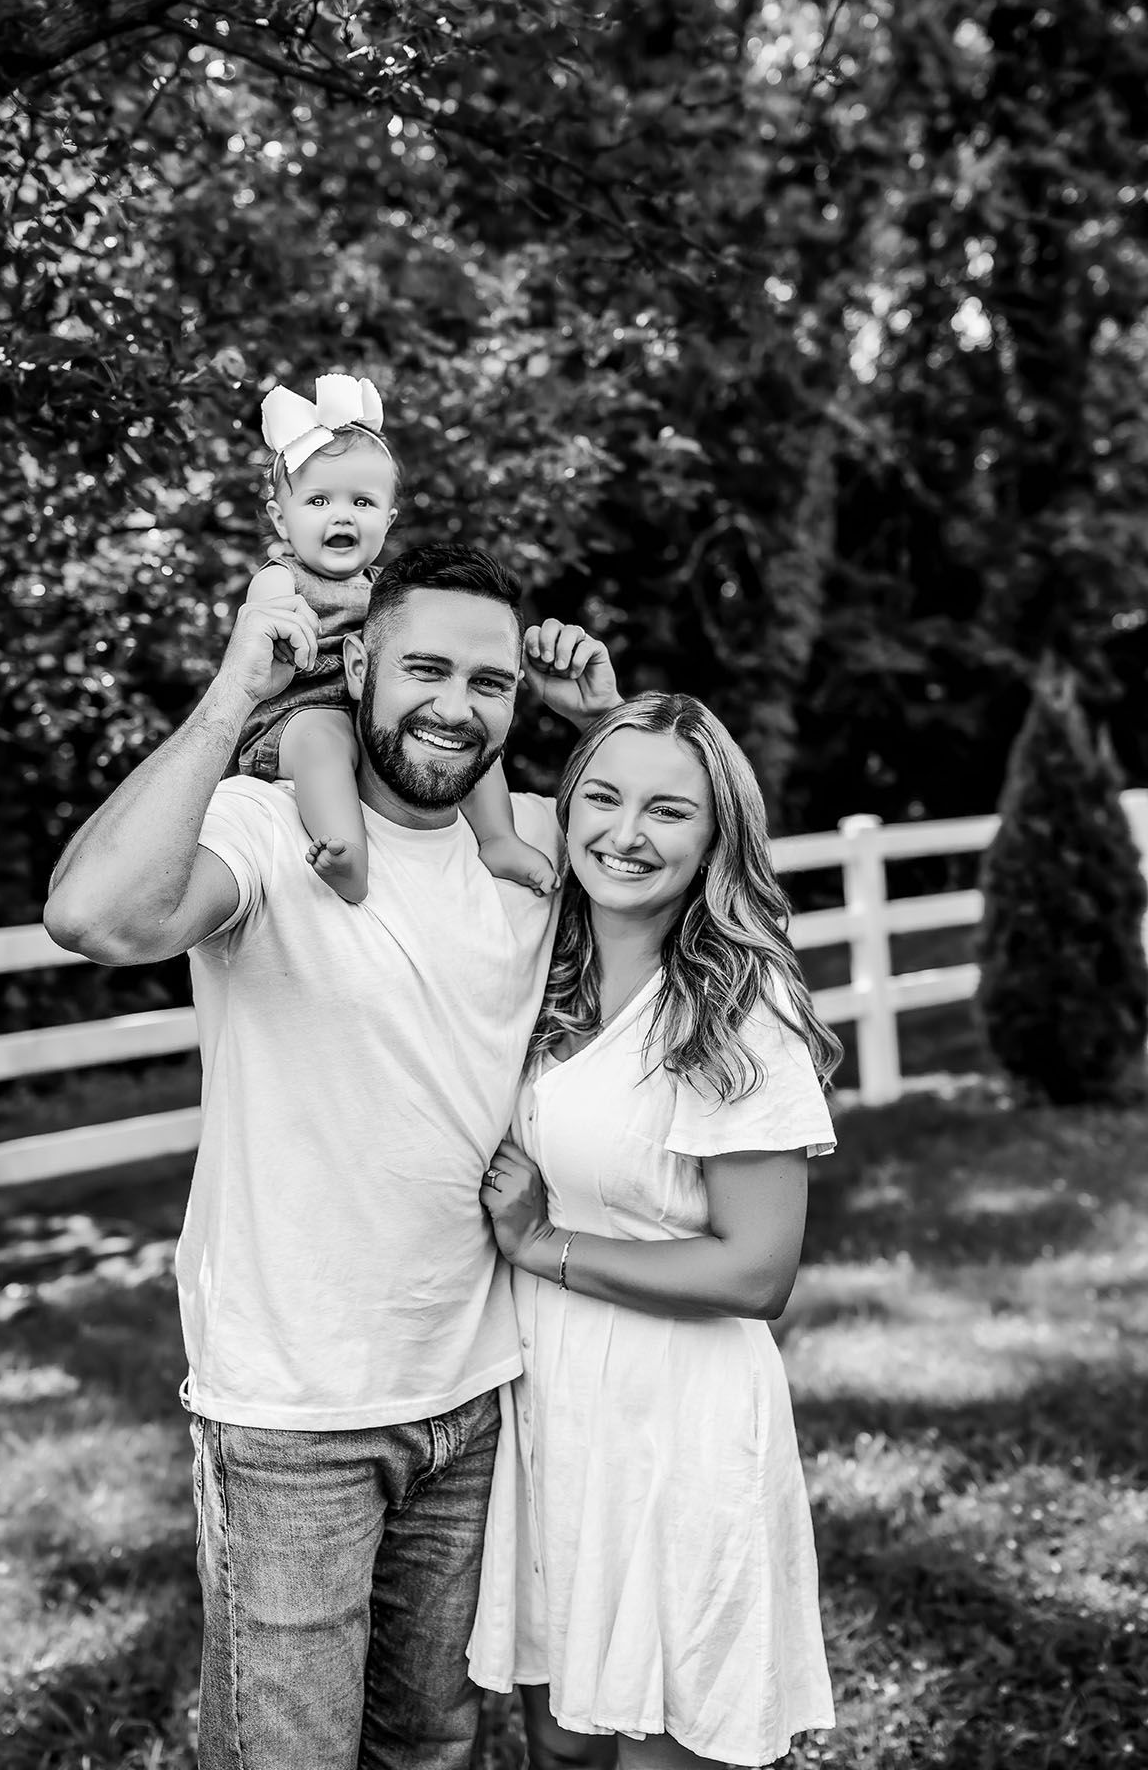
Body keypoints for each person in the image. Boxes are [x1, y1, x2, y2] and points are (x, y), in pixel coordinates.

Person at [42, 541, 621, 1770]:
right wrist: (233, 694)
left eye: (489, 681)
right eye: (423, 668)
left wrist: (611, 724)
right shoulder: (264, 828)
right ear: (359, 661)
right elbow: (97, 916)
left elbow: (718, 885)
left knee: (431, 1747)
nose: (454, 707)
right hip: (291, 1414)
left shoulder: (530, 846)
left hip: (473, 1389)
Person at [470, 692, 841, 1770]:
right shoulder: (542, 963)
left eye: (669, 812)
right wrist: (587, 711)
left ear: (715, 834)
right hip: (552, 1401)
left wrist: (546, 1247)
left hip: (675, 1414)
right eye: (601, 798)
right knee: (561, 1743)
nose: (625, 834)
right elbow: (460, 779)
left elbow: (756, 1269)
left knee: (666, 1746)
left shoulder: (734, 1004)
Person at [238, 371, 558, 903]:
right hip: (295, 714)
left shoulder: (386, 589)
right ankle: (347, 854)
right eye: (318, 502)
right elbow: (262, 635)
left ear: (387, 521)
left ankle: (499, 839)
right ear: (281, 518)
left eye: (361, 503)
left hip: (371, 712)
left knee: (466, 733)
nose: (341, 515)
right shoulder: (281, 578)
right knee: (325, 744)